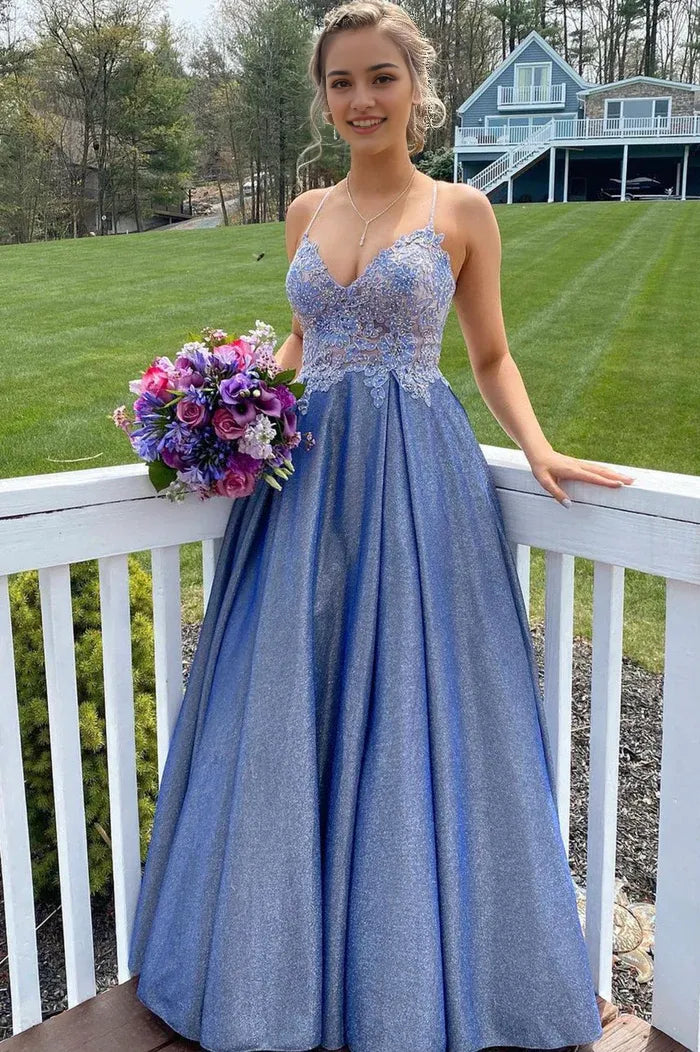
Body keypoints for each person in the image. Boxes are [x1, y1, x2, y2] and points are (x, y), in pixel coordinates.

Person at [128, 2, 635, 1050]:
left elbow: (490, 355)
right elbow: (301, 342)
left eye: (380, 78)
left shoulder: (462, 209)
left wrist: (538, 447)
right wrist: (224, 411)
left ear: (416, 88)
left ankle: (415, 977)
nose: (360, 100)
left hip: (413, 479)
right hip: (303, 487)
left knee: (413, 697)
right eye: (341, 82)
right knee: (288, 697)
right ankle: (274, 974)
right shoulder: (305, 210)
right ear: (324, 96)